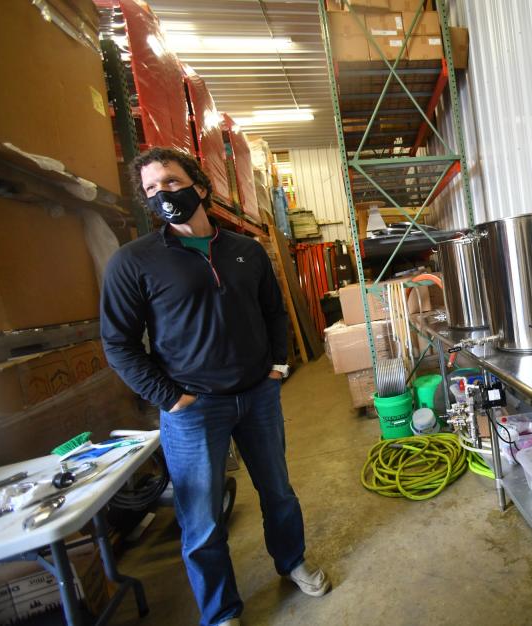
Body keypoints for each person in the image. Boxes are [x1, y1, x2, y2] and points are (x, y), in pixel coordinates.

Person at [100, 147, 329, 626]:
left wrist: (278, 365)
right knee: (201, 522)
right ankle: (222, 611)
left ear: (199, 186)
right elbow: (118, 343)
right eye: (151, 189)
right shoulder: (132, 262)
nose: (162, 194)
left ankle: (291, 563)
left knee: (278, 493)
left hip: (258, 395)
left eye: (170, 182)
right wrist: (171, 398)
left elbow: (273, 312)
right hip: (192, 409)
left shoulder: (246, 251)